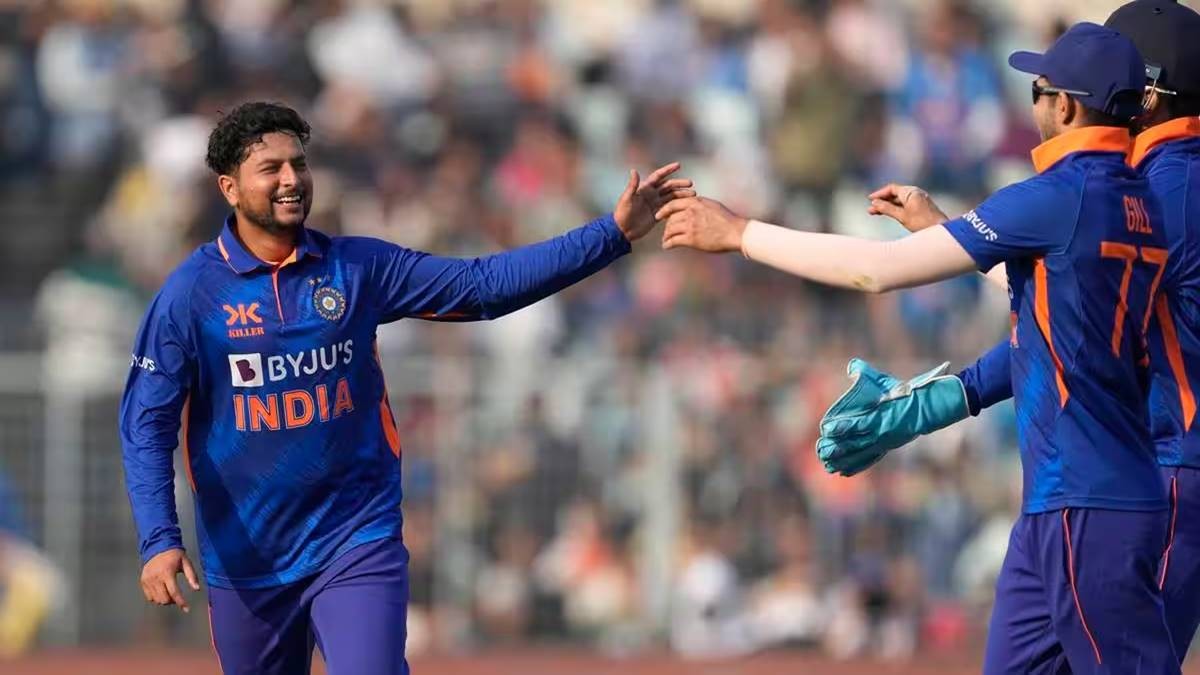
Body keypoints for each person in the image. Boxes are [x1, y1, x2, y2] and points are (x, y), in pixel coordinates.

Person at [657, 23, 1180, 674]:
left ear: (1068, 107)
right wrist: (943, 229)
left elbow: (875, 271)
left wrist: (740, 233)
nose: (1035, 104)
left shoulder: (1056, 195)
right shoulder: (1138, 201)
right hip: (1072, 498)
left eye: (1039, 91)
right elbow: (1055, 300)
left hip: (1086, 501)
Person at [118, 101, 692, 674]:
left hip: (354, 537)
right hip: (247, 561)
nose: (291, 179)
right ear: (230, 188)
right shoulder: (190, 295)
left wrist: (613, 233)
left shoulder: (355, 268)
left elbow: (481, 286)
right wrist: (159, 539)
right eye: (271, 169)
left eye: (299, 164)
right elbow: (146, 425)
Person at [819, 0, 1200, 662]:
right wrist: (954, 238)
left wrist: (737, 232)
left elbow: (1079, 321)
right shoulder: (1161, 182)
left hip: (1162, 471)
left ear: (1148, 96)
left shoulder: (1164, 190)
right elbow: (1065, 308)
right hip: (1125, 478)